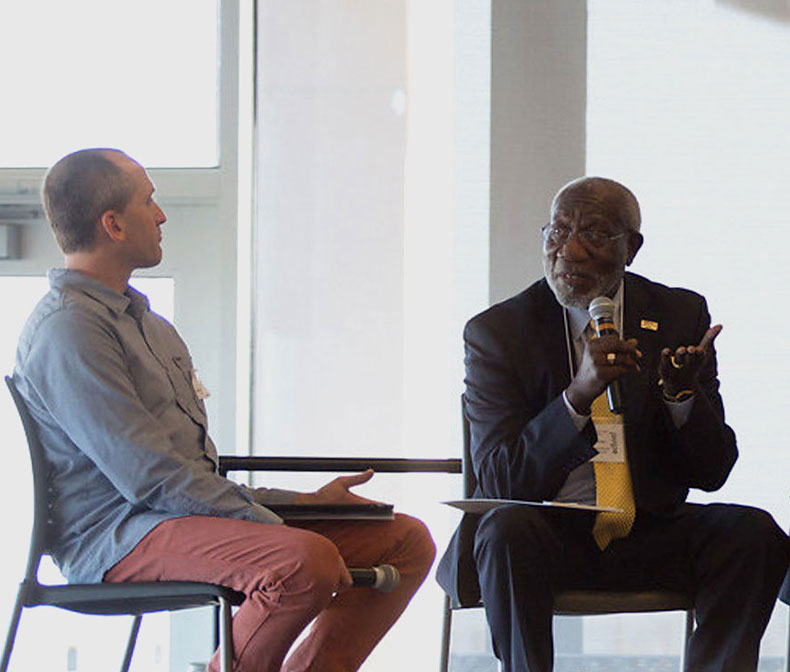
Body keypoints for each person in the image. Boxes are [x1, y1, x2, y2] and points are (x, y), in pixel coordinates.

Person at [14, 148, 436, 672]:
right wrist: (273, 523)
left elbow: (194, 475)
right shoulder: (68, 330)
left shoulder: (149, 325)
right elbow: (149, 477)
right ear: (113, 224)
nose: (162, 215)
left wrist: (300, 503)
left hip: (174, 514)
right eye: (150, 202)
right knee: (303, 561)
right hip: (118, 537)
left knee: (404, 542)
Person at [436, 176, 789, 672]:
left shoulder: (678, 312)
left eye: (595, 234)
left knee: (752, 533)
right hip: (547, 535)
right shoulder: (499, 332)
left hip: (650, 528)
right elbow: (499, 479)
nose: (569, 252)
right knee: (504, 529)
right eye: (557, 232)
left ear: (632, 248)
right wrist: (577, 395)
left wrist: (680, 396)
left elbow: (712, 472)